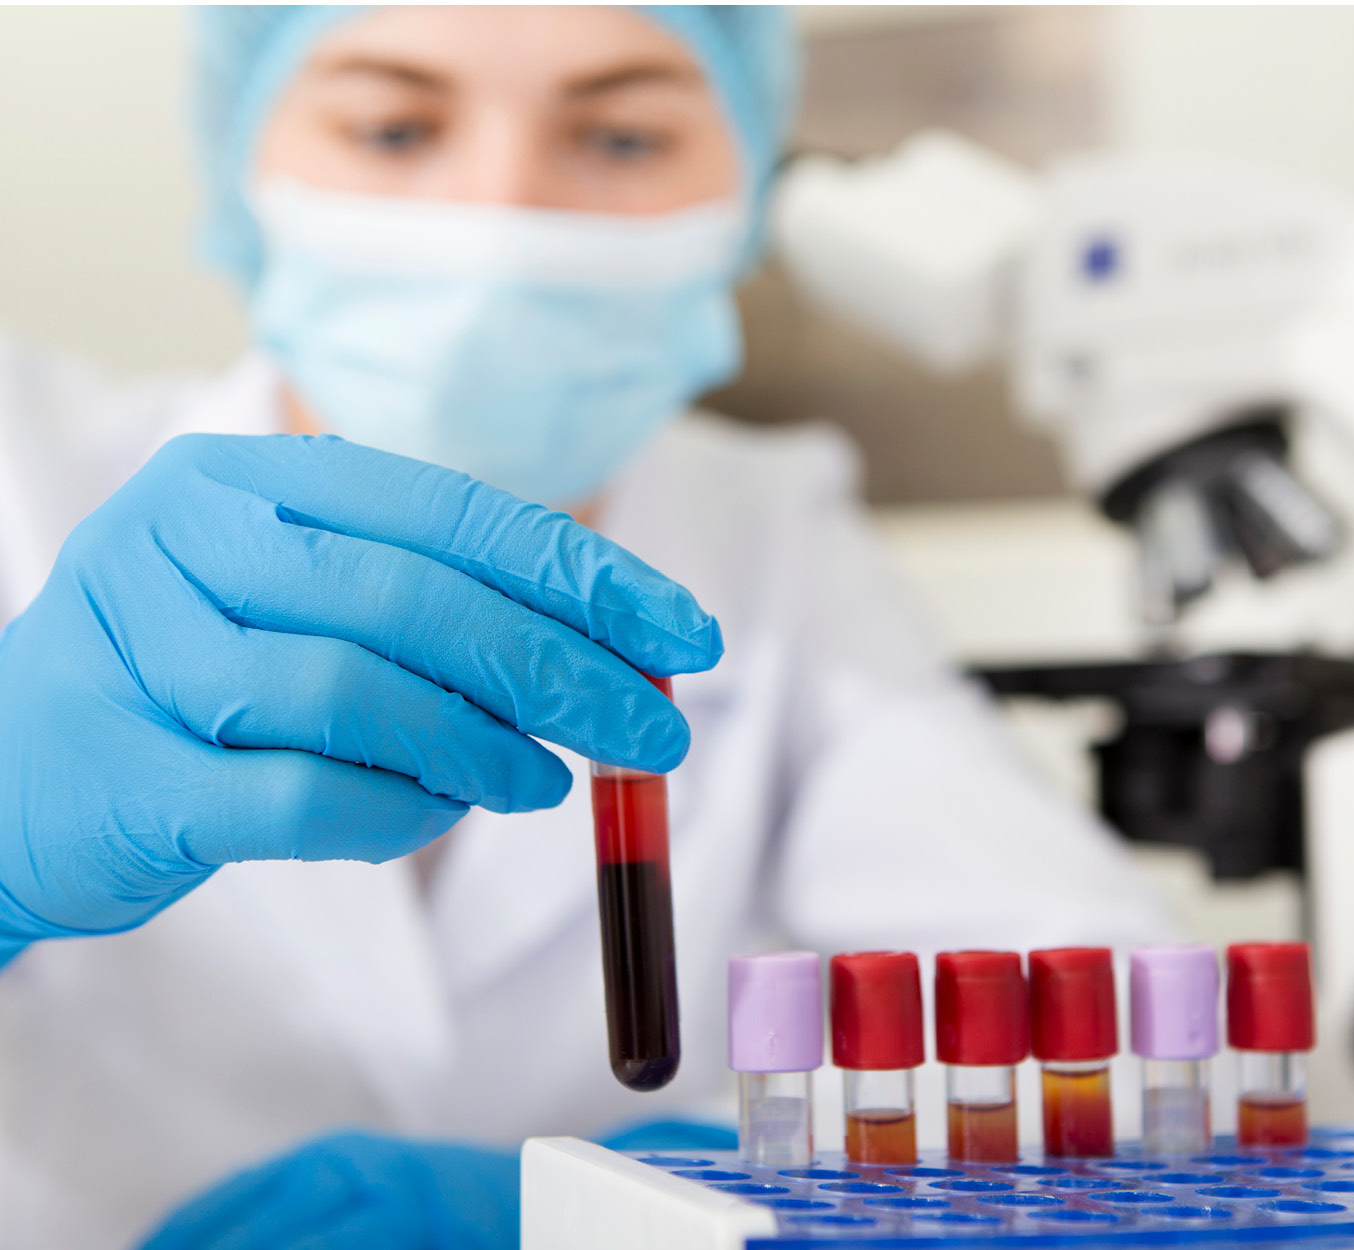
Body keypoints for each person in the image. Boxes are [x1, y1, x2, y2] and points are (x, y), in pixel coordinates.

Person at [0, 7, 1173, 1248]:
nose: (502, 209)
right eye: (396, 127)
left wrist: (683, 1195)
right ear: (245, 159)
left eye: (618, 138)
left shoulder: (770, 537)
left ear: (746, 193)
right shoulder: (22, 473)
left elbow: (1127, 1034)